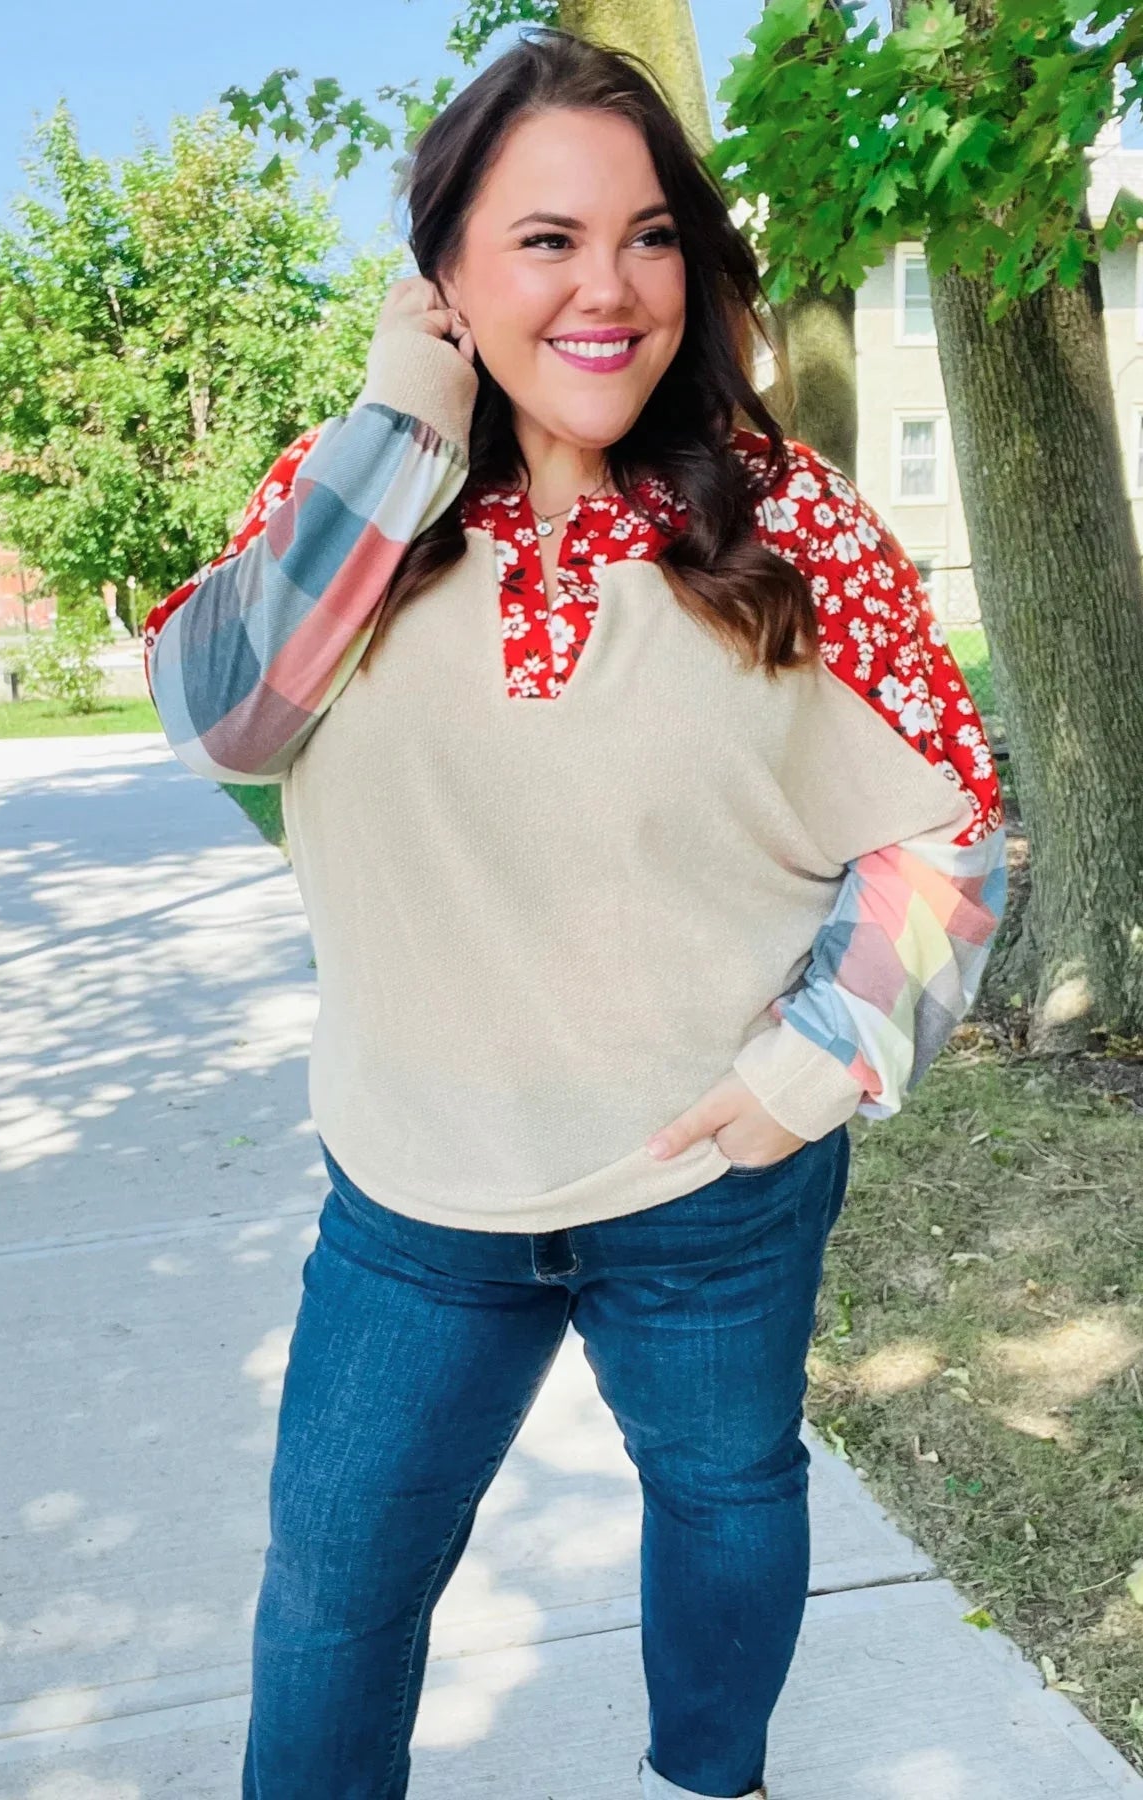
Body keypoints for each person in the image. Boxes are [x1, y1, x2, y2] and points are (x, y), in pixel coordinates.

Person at [143, 25, 1007, 1800]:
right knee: (334, 1592)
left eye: (650, 235)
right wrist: (398, 436)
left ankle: (712, 1784)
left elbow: (955, 825)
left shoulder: (789, 519)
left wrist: (821, 1061)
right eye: (545, 239)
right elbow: (229, 718)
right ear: (446, 272)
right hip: (412, 1192)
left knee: (729, 1502)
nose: (609, 289)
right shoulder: (355, 490)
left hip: (714, 1186)